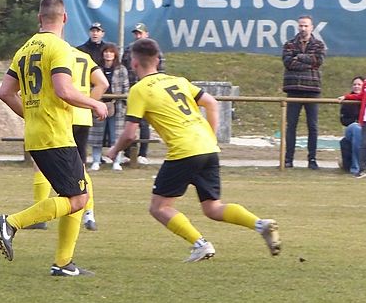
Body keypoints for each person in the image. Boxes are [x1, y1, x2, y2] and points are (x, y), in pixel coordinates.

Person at [105, 38, 280, 262]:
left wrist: (114, 150)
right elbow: (212, 103)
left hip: (184, 150)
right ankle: (260, 224)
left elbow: (130, 133)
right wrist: (211, 136)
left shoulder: (139, 90)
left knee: (159, 207)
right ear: (157, 60)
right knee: (212, 208)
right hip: (207, 147)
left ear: (134, 63)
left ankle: (201, 245)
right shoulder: (178, 81)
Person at [0, 0, 108, 277]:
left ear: (39, 19)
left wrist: (31, 115)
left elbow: (6, 93)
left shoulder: (24, 49)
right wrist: (94, 103)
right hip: (55, 134)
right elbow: (63, 89)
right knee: (79, 199)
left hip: (36, 134)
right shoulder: (60, 47)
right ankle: (12, 222)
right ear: (65, 18)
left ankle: (64, 263)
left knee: (76, 193)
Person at [29, 46, 109, 232]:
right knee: (80, 167)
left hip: (62, 115)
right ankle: (89, 214)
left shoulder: (56, 53)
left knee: (39, 164)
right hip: (83, 117)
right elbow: (103, 83)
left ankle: (39, 216)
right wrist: (88, 104)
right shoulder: (84, 56)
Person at [282, 14, 326, 169]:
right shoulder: (289, 44)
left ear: (311, 27)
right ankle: (288, 159)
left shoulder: (319, 44)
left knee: (312, 126)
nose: (303, 28)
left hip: (312, 89)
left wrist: (298, 57)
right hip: (293, 89)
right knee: (291, 125)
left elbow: (317, 61)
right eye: (301, 25)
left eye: (306, 25)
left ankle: (312, 159)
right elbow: (288, 63)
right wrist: (307, 62)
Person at [121, 23, 164, 165]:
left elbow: (161, 70)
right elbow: (123, 68)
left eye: (140, 33)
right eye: (136, 33)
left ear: (146, 34)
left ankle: (143, 153)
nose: (138, 36)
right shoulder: (129, 49)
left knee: (144, 124)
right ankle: (129, 153)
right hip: (132, 89)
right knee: (131, 122)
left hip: (149, 90)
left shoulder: (154, 50)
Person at [89, 43, 129, 171]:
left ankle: (116, 161)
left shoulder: (121, 69)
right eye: (106, 52)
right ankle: (96, 161)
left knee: (116, 135)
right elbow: (91, 85)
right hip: (99, 105)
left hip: (117, 106)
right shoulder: (96, 69)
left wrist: (122, 102)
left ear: (115, 54)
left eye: (111, 52)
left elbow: (126, 88)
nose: (108, 54)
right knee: (97, 135)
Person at [339, 76, 366, 175]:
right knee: (356, 128)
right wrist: (356, 121)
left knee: (360, 134)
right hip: (352, 128)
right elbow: (343, 120)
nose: (356, 86)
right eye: (354, 84)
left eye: (359, 84)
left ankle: (356, 168)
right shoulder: (347, 100)